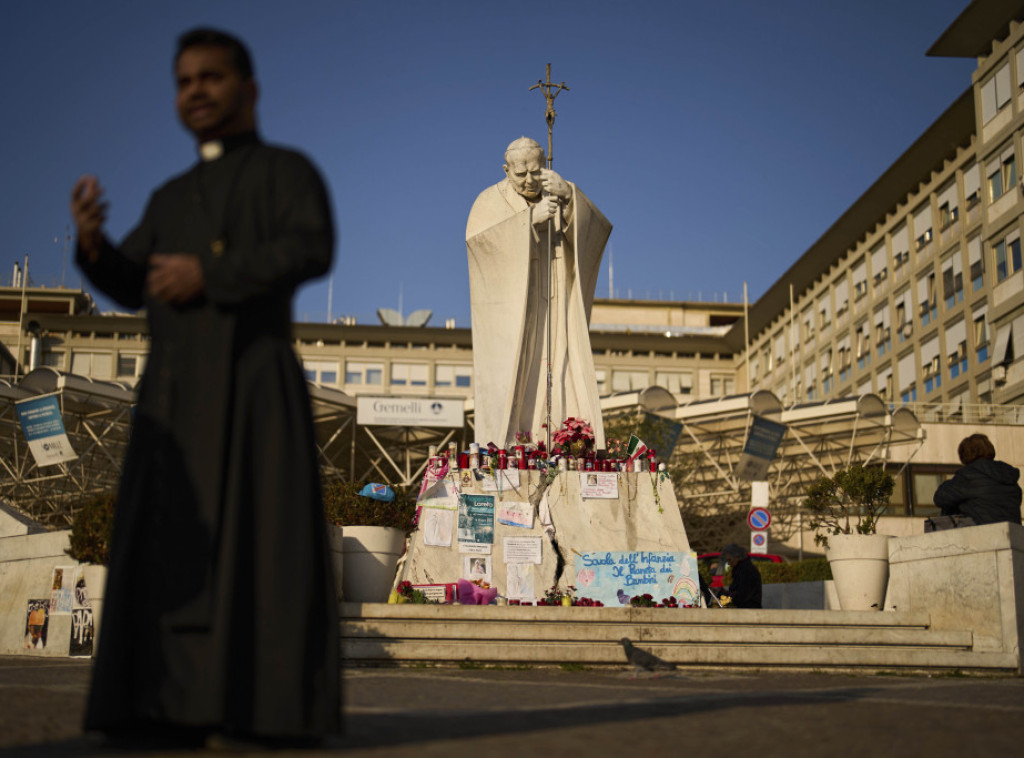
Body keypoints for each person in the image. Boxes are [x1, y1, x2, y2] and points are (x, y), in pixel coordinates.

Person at [70, 28, 339, 747]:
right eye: (184, 81)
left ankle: (268, 710)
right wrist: (92, 248)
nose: (196, 91)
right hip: (176, 395)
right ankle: (157, 703)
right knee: (163, 546)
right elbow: (131, 282)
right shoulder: (169, 197)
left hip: (254, 387)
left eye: (211, 78)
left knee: (263, 544)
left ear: (247, 90)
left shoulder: (289, 172)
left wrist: (209, 276)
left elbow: (311, 247)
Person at [466, 137, 612, 448]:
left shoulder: (558, 191)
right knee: (522, 369)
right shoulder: (488, 201)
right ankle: (515, 440)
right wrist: (529, 221)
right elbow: (478, 245)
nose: (530, 180)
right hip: (513, 307)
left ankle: (562, 436)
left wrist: (570, 197)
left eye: (536, 171)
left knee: (560, 361)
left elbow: (598, 230)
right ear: (506, 170)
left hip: (557, 300)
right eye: (521, 174)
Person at [933, 433, 1022, 526]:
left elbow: (940, 498)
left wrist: (947, 483)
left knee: (950, 507)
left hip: (981, 533)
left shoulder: (968, 475)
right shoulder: (1009, 475)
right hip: (1013, 535)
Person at [717, 544, 762, 609]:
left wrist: (724, 595)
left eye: (730, 560)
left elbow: (742, 595)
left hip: (748, 609)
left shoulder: (746, 571)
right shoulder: (743, 569)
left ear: (737, 557)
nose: (729, 563)